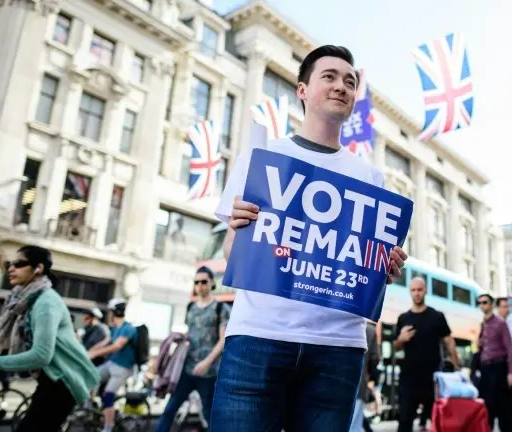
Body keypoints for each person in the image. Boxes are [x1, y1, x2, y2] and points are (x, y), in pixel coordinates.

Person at [210, 45, 407, 431]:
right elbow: (233, 253)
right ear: (302, 90)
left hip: (338, 348)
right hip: (258, 337)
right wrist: (238, 228)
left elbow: (370, 271)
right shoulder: (262, 157)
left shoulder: (370, 178)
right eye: (329, 77)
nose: (341, 87)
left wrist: (385, 266)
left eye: (349, 82)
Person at [0, 245, 99, 431]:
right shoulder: (24, 301)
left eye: (19, 264)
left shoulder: (46, 302)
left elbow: (41, 355)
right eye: (10, 264)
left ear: (38, 268)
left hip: (65, 380)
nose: (11, 268)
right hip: (51, 378)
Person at [157, 266, 230, 432]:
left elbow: (223, 339)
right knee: (169, 411)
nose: (200, 285)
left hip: (209, 373)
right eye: (196, 282)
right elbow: (192, 332)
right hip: (187, 370)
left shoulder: (220, 308)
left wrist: (206, 362)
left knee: (209, 415)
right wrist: (180, 338)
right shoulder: (191, 307)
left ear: (212, 283)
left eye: (203, 282)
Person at [395, 276, 459, 432]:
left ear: (425, 291)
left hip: (433, 377)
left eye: (419, 290)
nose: (416, 293)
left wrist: (457, 369)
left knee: (438, 420)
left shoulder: (437, 316)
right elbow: (396, 346)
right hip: (409, 377)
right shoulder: (403, 318)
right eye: (413, 290)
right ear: (410, 292)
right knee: (405, 420)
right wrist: (401, 339)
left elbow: (449, 342)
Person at [88, 298, 137, 432]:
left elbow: (116, 346)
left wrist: (94, 354)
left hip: (122, 368)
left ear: (115, 312)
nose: (109, 315)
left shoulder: (128, 329)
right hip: (111, 364)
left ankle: (108, 428)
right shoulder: (116, 328)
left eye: (110, 312)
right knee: (89, 376)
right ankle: (91, 409)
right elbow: (106, 342)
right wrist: (88, 352)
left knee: (108, 395)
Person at [476, 294, 512, 431]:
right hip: (485, 370)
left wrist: (511, 373)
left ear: (492, 304)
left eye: (485, 302)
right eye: (479, 303)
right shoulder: (483, 324)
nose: (482, 305)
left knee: (504, 411)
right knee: (487, 410)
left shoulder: (500, 323)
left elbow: (510, 349)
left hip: (498, 368)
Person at [349, 320, 379, 432]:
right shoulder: (370, 330)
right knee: (354, 425)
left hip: (332, 383)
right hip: (359, 382)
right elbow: (375, 358)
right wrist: (369, 377)